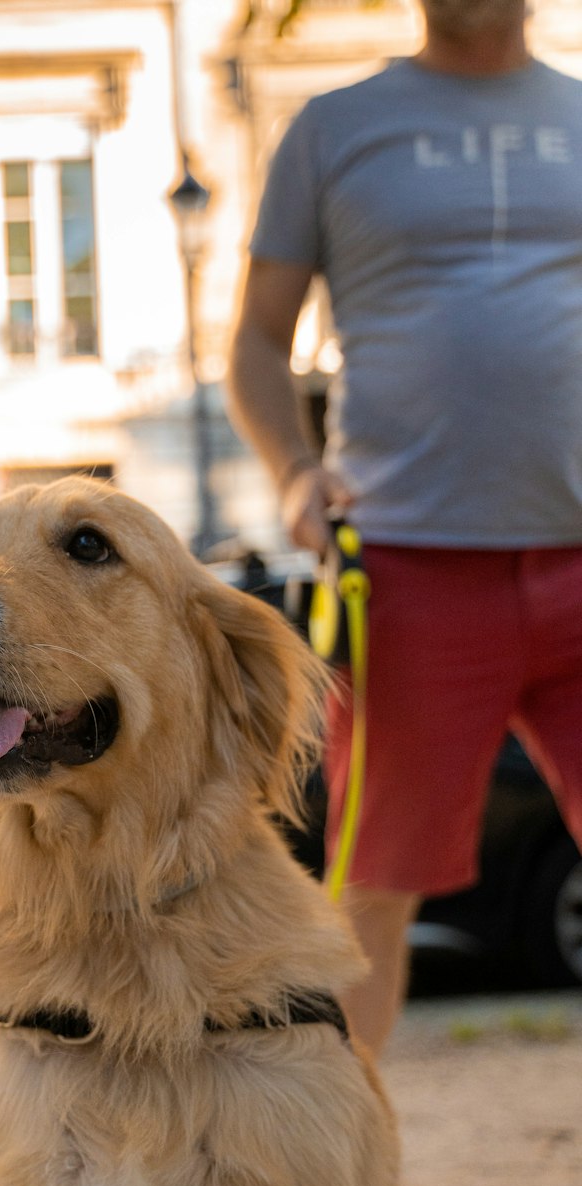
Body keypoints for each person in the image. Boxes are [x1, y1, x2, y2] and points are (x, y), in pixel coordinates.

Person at [227, 0, 582, 1055]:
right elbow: (253, 341)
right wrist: (294, 471)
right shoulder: (332, 129)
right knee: (371, 887)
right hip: (408, 572)